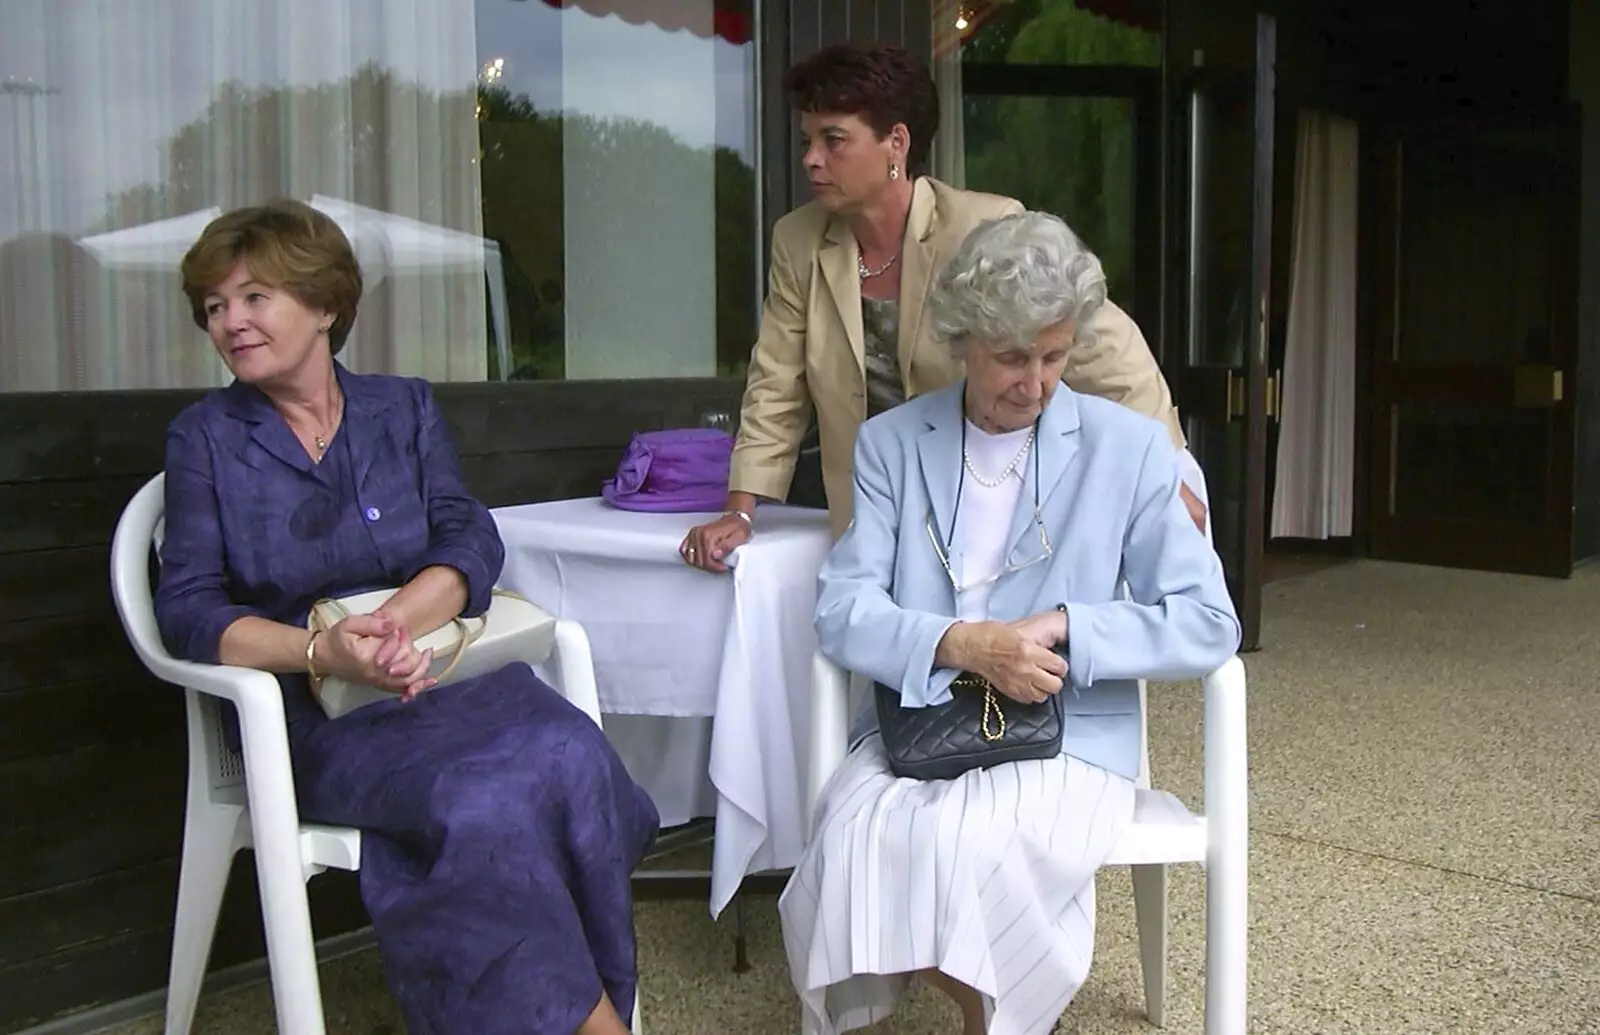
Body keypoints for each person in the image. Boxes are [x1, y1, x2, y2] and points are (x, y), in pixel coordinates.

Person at [152, 199, 659, 1035]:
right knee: (484, 801)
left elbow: (470, 534)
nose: (229, 323)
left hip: (447, 676)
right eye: (214, 307)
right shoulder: (204, 439)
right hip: (320, 716)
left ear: (323, 305)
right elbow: (188, 609)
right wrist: (326, 652)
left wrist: (392, 622)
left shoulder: (403, 408)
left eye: (253, 298)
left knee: (571, 753)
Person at [777, 212, 1241, 1035]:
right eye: (1013, 358)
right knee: (853, 844)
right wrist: (959, 642)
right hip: (921, 723)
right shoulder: (893, 445)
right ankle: (1000, 1012)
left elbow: (1208, 622)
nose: (1036, 382)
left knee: (977, 842)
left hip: (1062, 734)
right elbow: (842, 610)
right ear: (965, 341)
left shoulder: (1128, 450)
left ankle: (996, 1019)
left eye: (1055, 356)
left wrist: (1068, 626)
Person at [680, 41, 1205, 572]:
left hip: (992, 502)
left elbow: (1103, 350)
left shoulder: (984, 226)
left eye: (833, 140)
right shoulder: (797, 240)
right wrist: (741, 512)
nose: (811, 158)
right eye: (807, 140)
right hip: (873, 507)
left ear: (896, 143)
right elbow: (776, 384)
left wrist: (1164, 475)